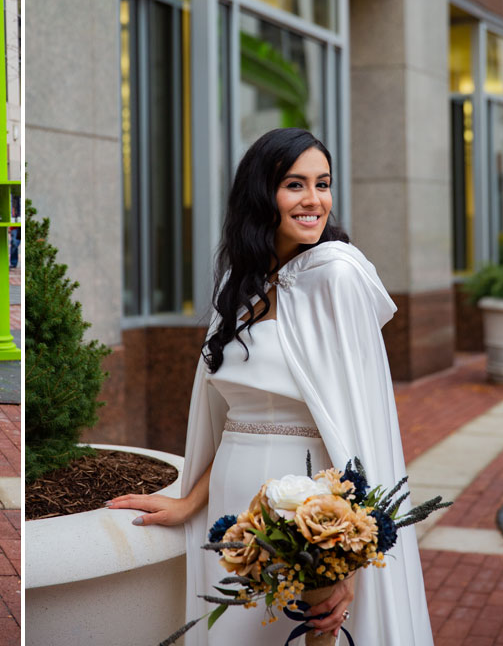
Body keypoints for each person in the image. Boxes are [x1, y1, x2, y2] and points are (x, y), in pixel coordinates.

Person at [108, 128, 433, 645]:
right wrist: (189, 501)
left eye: (322, 184)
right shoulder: (240, 284)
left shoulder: (337, 277)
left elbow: (356, 428)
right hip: (233, 506)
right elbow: (237, 420)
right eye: (294, 185)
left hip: (315, 508)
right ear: (262, 195)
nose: (313, 200)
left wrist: (344, 555)